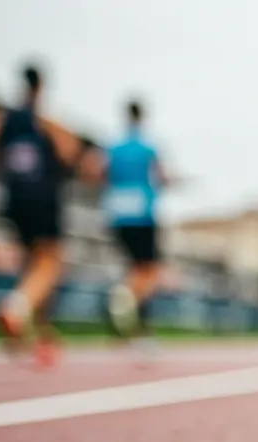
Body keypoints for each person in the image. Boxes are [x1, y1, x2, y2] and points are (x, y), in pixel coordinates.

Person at [0, 63, 84, 367]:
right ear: (41, 86)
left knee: (33, 268)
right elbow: (71, 153)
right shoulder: (45, 120)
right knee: (49, 266)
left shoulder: (2, 117)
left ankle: (39, 336)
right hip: (42, 197)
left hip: (13, 199)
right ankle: (17, 308)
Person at [82, 98, 169, 352]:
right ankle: (131, 307)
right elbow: (161, 176)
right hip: (142, 212)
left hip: (117, 213)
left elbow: (92, 170)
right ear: (142, 117)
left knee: (134, 269)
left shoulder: (112, 146)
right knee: (149, 272)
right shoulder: (147, 147)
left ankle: (126, 328)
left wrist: (111, 183)